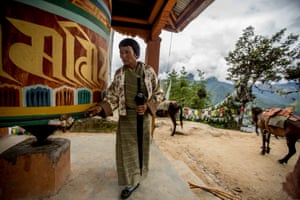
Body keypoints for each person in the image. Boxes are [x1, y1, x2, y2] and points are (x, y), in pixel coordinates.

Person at [86, 38, 161, 199]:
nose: (123, 56)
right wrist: (101, 107)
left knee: (141, 149)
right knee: (127, 151)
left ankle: (139, 175)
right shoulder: (120, 74)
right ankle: (131, 181)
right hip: (126, 117)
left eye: (127, 52)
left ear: (136, 53)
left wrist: (147, 105)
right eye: (121, 53)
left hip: (143, 118)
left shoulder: (148, 71)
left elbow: (159, 92)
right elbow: (113, 94)